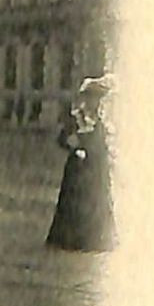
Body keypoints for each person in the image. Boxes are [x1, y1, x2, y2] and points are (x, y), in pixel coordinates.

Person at [46, 77, 116, 251]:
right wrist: (75, 148)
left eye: (98, 99)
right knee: (75, 204)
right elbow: (62, 139)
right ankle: (72, 240)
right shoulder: (76, 117)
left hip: (96, 168)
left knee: (97, 202)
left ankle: (97, 240)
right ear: (85, 98)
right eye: (92, 97)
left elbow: (102, 143)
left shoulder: (100, 120)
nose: (95, 102)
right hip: (78, 169)